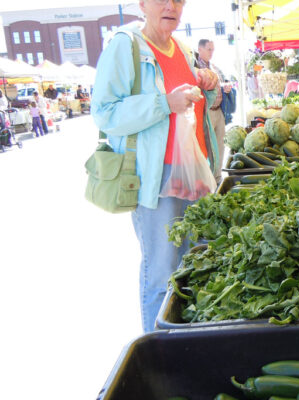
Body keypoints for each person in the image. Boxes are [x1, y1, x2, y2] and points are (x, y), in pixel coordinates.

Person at [91, 0, 219, 333]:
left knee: (197, 265)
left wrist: (207, 80)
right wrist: (163, 103)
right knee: (162, 272)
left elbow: (196, 107)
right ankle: (159, 350)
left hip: (195, 172)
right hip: (156, 176)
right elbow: (105, 112)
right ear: (142, 3)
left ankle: (189, 341)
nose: (171, 5)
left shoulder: (184, 48)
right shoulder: (126, 45)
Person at [197, 39, 234, 182]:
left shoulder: (214, 67)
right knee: (208, 147)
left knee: (220, 145)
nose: (212, 52)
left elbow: (221, 83)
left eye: (213, 49)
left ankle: (218, 178)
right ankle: (209, 179)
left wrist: (226, 88)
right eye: (209, 49)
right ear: (200, 49)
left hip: (219, 111)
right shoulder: (196, 67)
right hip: (206, 113)